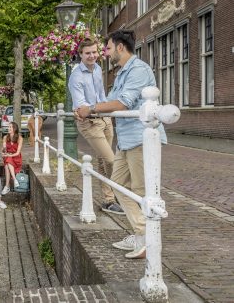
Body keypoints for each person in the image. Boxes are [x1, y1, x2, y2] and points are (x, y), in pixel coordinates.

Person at [77, 29, 167, 259]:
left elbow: (123, 104)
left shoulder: (138, 70)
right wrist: (86, 111)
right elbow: (109, 102)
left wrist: (92, 109)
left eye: (106, 48)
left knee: (140, 190)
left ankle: (146, 238)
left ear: (119, 47)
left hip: (141, 138)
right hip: (126, 140)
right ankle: (140, 234)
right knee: (117, 185)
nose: (104, 53)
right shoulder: (121, 73)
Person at [69, 38, 124, 215]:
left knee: (102, 160)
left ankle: (108, 201)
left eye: (94, 52)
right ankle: (124, 197)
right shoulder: (76, 76)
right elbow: (81, 105)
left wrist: (107, 110)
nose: (92, 56)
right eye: (88, 53)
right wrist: (87, 110)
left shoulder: (98, 69)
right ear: (81, 55)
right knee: (111, 160)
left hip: (105, 119)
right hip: (90, 122)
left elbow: (101, 95)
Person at [1, 121, 23, 195]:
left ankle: (7, 186)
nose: (9, 128)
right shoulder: (5, 137)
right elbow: (3, 149)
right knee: (7, 159)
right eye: (8, 127)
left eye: (10, 127)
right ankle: (14, 180)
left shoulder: (20, 138)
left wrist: (9, 155)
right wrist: (3, 151)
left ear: (15, 128)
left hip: (16, 158)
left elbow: (18, 152)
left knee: (7, 163)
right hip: (8, 156)